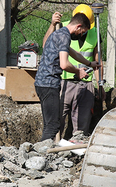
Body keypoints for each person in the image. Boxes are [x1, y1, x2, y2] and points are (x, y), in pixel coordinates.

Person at [34, 12, 99, 142]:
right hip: (49, 84)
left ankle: (41, 153)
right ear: (78, 26)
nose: (81, 35)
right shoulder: (64, 36)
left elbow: (74, 54)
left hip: (42, 83)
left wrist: (89, 63)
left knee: (49, 124)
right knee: (53, 126)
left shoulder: (59, 34)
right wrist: (78, 72)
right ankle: (41, 155)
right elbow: (64, 64)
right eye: (82, 31)